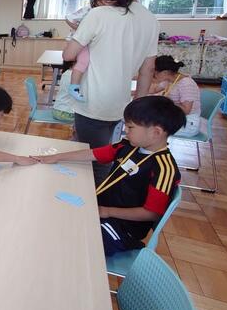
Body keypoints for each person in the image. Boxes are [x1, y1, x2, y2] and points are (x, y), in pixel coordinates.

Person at [34, 96, 184, 256]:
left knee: (75, 245)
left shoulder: (164, 168)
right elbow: (94, 154)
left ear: (156, 132)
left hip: (122, 228)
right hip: (99, 209)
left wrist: (107, 211)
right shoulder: (128, 146)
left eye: (130, 127)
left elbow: (152, 213)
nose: (125, 130)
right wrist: (57, 157)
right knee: (55, 218)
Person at [63, 0, 159, 183]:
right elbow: (148, 69)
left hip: (92, 102)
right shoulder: (151, 20)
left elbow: (68, 55)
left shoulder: (99, 14)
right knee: (105, 151)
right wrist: (138, 107)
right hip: (121, 104)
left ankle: (94, 201)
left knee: (94, 160)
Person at [67, 0, 136, 102]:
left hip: (88, 45)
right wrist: (80, 29)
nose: (106, 1)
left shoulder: (113, 15)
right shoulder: (92, 11)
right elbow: (69, 18)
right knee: (83, 62)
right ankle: (74, 87)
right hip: (82, 43)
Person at [153, 55, 201, 137]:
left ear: (165, 72)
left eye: (155, 72)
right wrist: (131, 92)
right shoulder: (169, 80)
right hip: (174, 118)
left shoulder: (186, 83)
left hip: (188, 122)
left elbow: (186, 110)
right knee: (146, 122)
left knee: (149, 128)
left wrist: (165, 101)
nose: (153, 75)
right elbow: (153, 90)